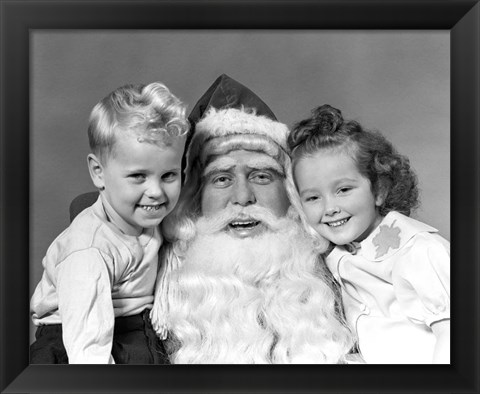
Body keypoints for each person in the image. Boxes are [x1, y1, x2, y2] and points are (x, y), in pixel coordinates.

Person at [150, 74, 354, 364]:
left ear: (290, 195)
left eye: (261, 176)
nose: (243, 197)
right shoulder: (156, 285)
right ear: (195, 200)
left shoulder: (344, 274)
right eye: (221, 178)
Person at [30, 82, 189, 364]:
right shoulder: (88, 250)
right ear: (98, 173)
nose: (156, 191)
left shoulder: (147, 216)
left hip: (134, 326)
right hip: (80, 337)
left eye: (168, 175)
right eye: (138, 176)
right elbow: (87, 342)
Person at [288, 104, 450, 364]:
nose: (330, 208)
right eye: (313, 197)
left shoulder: (419, 250)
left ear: (380, 190)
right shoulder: (333, 258)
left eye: (343, 190)